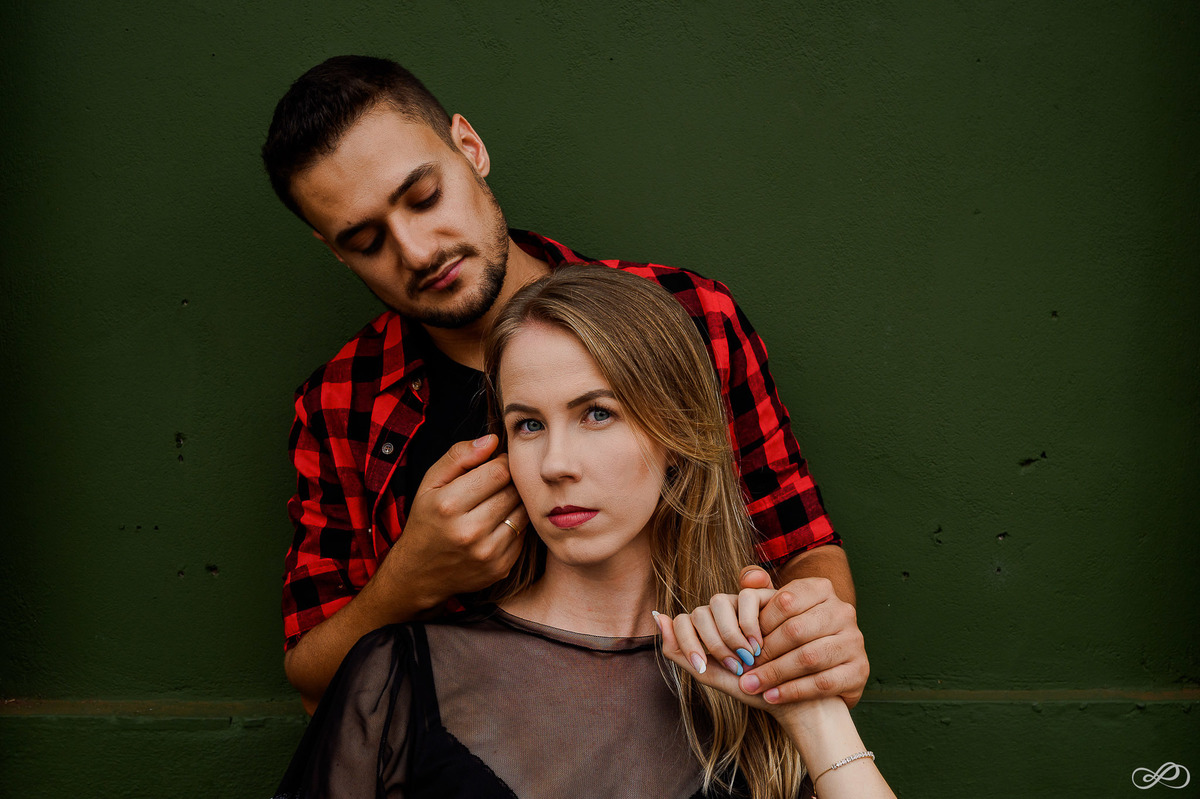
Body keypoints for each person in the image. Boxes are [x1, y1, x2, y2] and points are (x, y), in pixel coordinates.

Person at [262, 55, 867, 715]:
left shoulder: (688, 317)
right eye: (366, 239)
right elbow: (312, 674)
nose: (415, 250)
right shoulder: (340, 400)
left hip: (702, 736)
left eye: (424, 196)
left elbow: (802, 543)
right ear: (334, 250)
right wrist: (409, 579)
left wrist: (810, 634)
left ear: (470, 148)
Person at [274, 266, 892, 799]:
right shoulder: (402, 674)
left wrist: (812, 715)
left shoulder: (747, 671)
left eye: (597, 413)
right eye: (528, 426)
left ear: (674, 434)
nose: (555, 464)